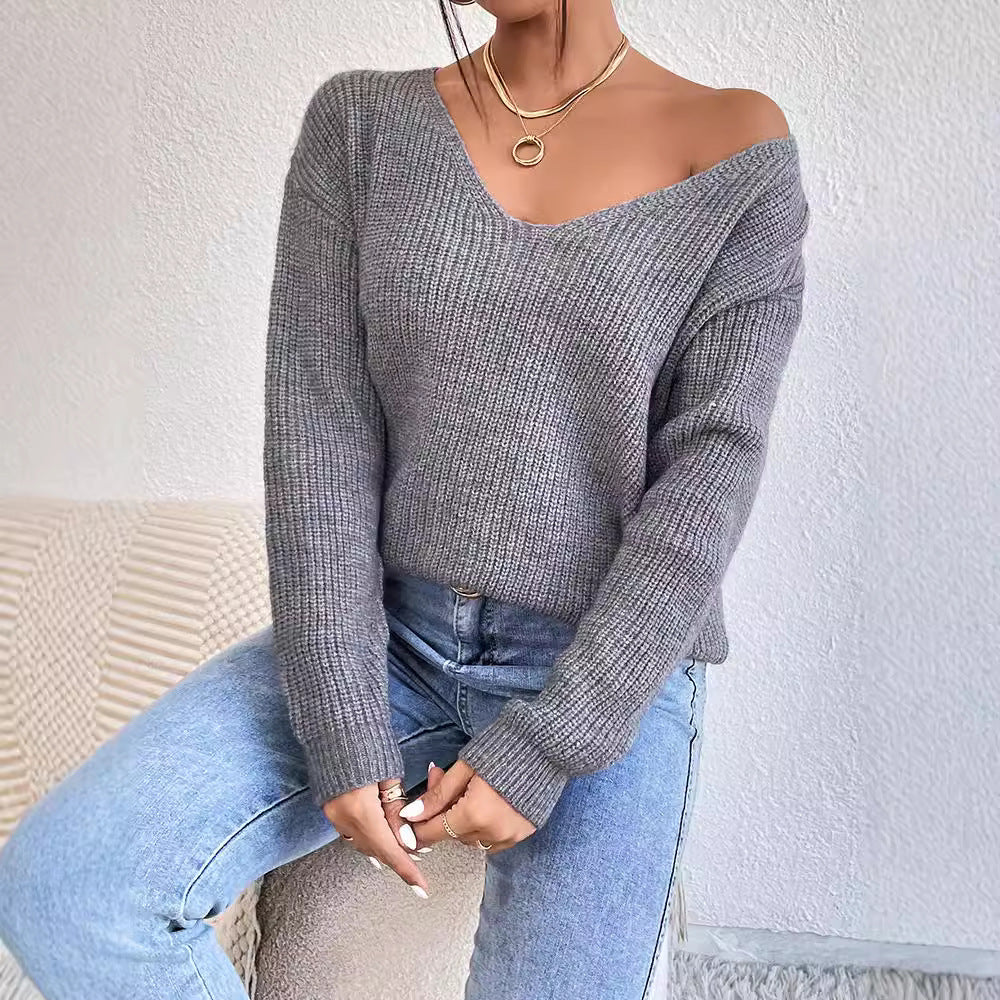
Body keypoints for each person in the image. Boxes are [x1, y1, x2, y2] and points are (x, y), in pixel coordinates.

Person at [0, 1, 810, 997]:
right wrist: (340, 723)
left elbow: (709, 473)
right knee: (68, 887)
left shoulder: (735, 148)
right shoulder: (361, 126)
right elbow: (318, 439)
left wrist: (553, 741)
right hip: (392, 642)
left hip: (608, 668)